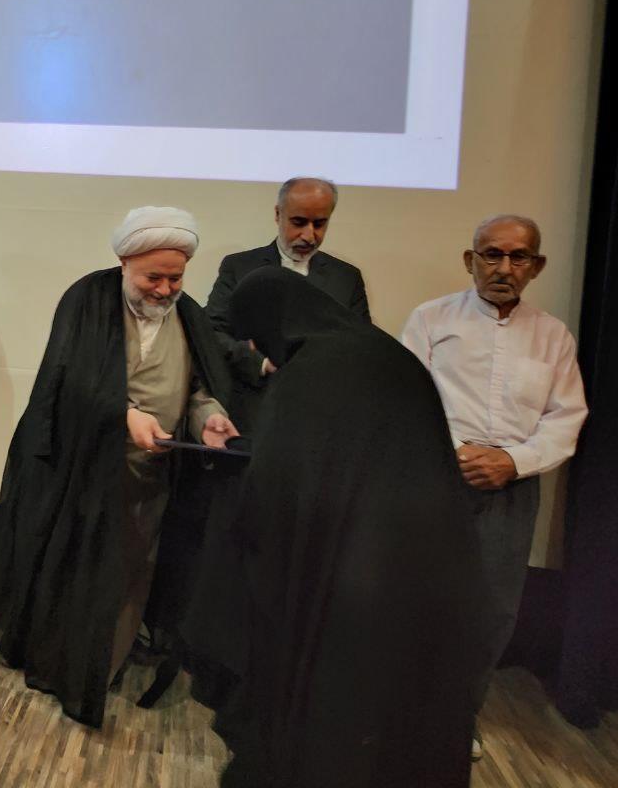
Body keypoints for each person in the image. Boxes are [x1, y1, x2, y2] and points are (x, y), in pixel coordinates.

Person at [206, 267, 483, 788]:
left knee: (330, 719)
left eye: (256, 336)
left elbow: (279, 488)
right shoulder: (387, 355)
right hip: (425, 573)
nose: (258, 347)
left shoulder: (312, 371)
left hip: (344, 582)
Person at [0, 206, 237, 728]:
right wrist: (124, 416)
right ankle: (60, 658)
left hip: (150, 478)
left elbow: (198, 390)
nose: (165, 290)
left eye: (176, 278)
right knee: (74, 568)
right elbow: (67, 382)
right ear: (124, 262)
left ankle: (104, 664)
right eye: (153, 278)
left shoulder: (189, 316)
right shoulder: (87, 300)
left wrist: (209, 419)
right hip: (81, 470)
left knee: (131, 572)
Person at [402, 214, 587, 760]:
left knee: (490, 613)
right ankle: (404, 716)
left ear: (537, 266)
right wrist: (454, 455)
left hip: (511, 489)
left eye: (518, 256)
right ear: (470, 259)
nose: (504, 268)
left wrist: (511, 460)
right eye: (491, 254)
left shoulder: (553, 336)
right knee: (420, 602)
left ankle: (458, 719)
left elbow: (566, 417)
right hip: (436, 483)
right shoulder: (430, 319)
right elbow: (405, 396)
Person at [205, 177, 369, 433]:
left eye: (320, 224)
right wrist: (258, 362)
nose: (309, 235)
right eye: (299, 222)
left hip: (322, 416)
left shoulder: (347, 278)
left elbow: (362, 347)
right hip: (253, 411)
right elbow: (211, 333)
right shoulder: (239, 267)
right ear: (277, 214)